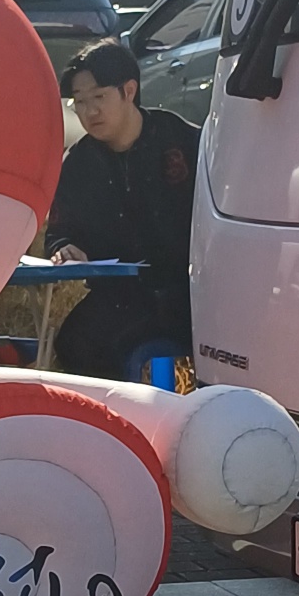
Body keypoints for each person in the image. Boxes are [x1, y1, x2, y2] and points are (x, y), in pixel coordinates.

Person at [45, 38, 200, 380]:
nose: (89, 112)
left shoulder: (183, 142)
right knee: (74, 343)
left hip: (189, 292)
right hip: (120, 296)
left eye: (99, 97)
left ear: (129, 91)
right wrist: (64, 248)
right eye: (79, 102)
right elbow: (58, 232)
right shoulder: (77, 164)